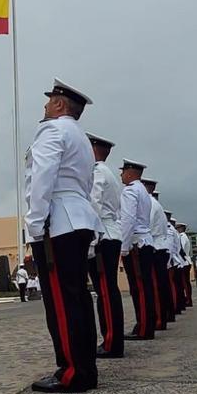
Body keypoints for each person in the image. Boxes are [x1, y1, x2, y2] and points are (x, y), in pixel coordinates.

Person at [23, 78, 102, 393]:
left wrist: (35, 222)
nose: (44, 106)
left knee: (61, 301)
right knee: (77, 298)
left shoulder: (53, 130)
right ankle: (84, 368)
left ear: (59, 104)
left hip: (57, 222)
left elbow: (42, 178)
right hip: (77, 219)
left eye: (48, 100)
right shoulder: (80, 137)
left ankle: (72, 371)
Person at [85, 132, 125, 358]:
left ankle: (111, 342)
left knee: (106, 291)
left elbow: (94, 206)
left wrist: (90, 240)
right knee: (107, 289)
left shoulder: (97, 172)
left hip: (103, 236)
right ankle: (112, 339)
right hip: (110, 233)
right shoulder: (108, 173)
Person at [118, 159, 157, 341]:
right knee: (145, 287)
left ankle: (143, 327)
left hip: (136, 244)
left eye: (123, 171)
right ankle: (145, 324)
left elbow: (128, 220)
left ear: (130, 172)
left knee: (139, 288)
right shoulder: (142, 191)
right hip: (145, 242)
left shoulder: (130, 191)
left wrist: (123, 247)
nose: (121, 175)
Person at [142, 180, 172, 329]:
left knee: (155, 286)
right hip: (159, 247)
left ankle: (159, 319)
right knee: (159, 285)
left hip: (155, 247)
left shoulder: (150, 204)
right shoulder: (154, 203)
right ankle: (161, 317)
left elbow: (145, 225)